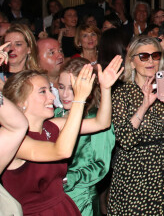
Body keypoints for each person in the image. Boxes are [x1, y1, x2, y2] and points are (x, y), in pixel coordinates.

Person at [1, 57, 123, 215]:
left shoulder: (52, 126)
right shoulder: (16, 142)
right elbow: (61, 151)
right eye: (42, 92)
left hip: (63, 207)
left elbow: (102, 123)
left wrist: (105, 88)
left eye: (50, 90)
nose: (52, 98)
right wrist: (79, 99)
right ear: (21, 101)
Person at [108, 35, 164, 215]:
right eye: (144, 56)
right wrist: (144, 105)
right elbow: (125, 139)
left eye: (155, 55)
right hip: (135, 174)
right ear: (132, 61)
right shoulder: (122, 94)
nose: (151, 61)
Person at [54, 57, 116, 215]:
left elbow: (101, 165)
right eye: (61, 87)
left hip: (81, 198)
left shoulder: (94, 117)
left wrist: (70, 179)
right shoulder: (55, 114)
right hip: (53, 195)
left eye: (72, 88)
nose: (65, 94)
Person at [37, 37, 65, 108]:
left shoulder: (73, 80)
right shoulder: (34, 91)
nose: (60, 56)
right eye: (52, 53)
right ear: (36, 60)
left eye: (60, 51)